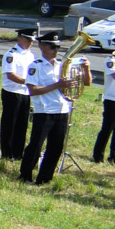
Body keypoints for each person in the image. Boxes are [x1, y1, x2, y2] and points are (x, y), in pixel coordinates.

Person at [20, 32, 74, 185]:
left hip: (62, 109)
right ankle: (25, 176)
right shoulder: (35, 66)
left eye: (57, 47)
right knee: (36, 145)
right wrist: (58, 85)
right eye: (52, 47)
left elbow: (67, 87)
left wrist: (70, 85)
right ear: (42, 46)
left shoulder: (62, 66)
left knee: (56, 147)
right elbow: (33, 90)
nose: (56, 50)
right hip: (44, 111)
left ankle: (44, 178)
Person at [0, 28, 36, 161]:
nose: (30, 43)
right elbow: (10, 75)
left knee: (22, 124)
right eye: (28, 40)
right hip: (12, 92)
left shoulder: (31, 55)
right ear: (20, 38)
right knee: (10, 124)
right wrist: (29, 82)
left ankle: (18, 153)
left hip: (25, 92)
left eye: (32, 41)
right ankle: (7, 154)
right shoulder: (11, 55)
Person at [95, 48, 115, 164]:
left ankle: (114, 157)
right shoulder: (111, 59)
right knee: (107, 129)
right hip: (112, 99)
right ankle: (98, 156)